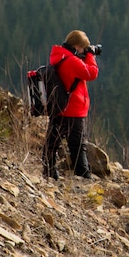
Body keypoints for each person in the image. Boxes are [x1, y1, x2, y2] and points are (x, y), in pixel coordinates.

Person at [42, 29, 99, 180]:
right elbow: (91, 73)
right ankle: (84, 176)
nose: (83, 51)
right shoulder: (72, 61)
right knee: (78, 146)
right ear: (76, 46)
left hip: (59, 107)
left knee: (52, 142)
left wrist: (84, 55)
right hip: (73, 109)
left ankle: (49, 172)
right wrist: (91, 55)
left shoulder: (59, 57)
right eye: (82, 48)